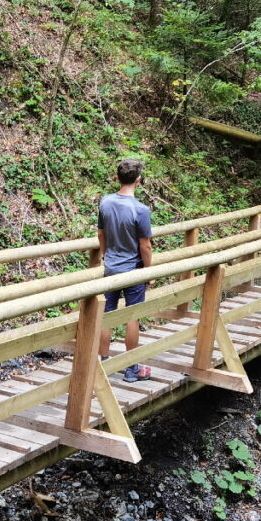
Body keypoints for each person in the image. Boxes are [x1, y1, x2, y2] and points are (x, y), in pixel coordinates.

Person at [97, 158, 153, 382]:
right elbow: (145, 245)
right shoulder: (140, 210)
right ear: (138, 180)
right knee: (132, 316)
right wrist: (149, 272)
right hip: (133, 269)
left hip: (110, 267)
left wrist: (104, 255)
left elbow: (101, 234)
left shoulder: (105, 202)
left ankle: (103, 362)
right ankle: (131, 369)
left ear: (117, 177)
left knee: (107, 315)